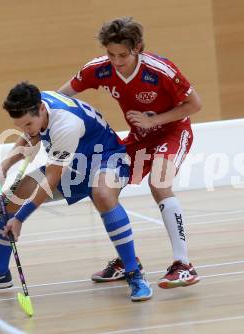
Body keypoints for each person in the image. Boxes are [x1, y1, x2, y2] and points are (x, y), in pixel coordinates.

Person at [0, 81, 152, 301]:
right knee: (10, 200)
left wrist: (21, 218)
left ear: (41, 109)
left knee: (103, 195)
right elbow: (30, 136)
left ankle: (134, 273)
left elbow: (51, 180)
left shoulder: (66, 125)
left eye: (28, 123)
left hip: (106, 158)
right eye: (21, 125)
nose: (26, 129)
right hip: (75, 164)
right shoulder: (36, 105)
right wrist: (3, 166)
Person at [58, 17, 202, 289]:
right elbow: (60, 98)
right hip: (139, 138)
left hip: (172, 131)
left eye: (123, 55)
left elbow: (194, 104)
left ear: (138, 48)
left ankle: (183, 264)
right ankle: (128, 260)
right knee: (101, 188)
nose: (116, 60)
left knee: (159, 184)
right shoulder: (98, 69)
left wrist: (153, 121)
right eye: (110, 54)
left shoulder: (161, 70)